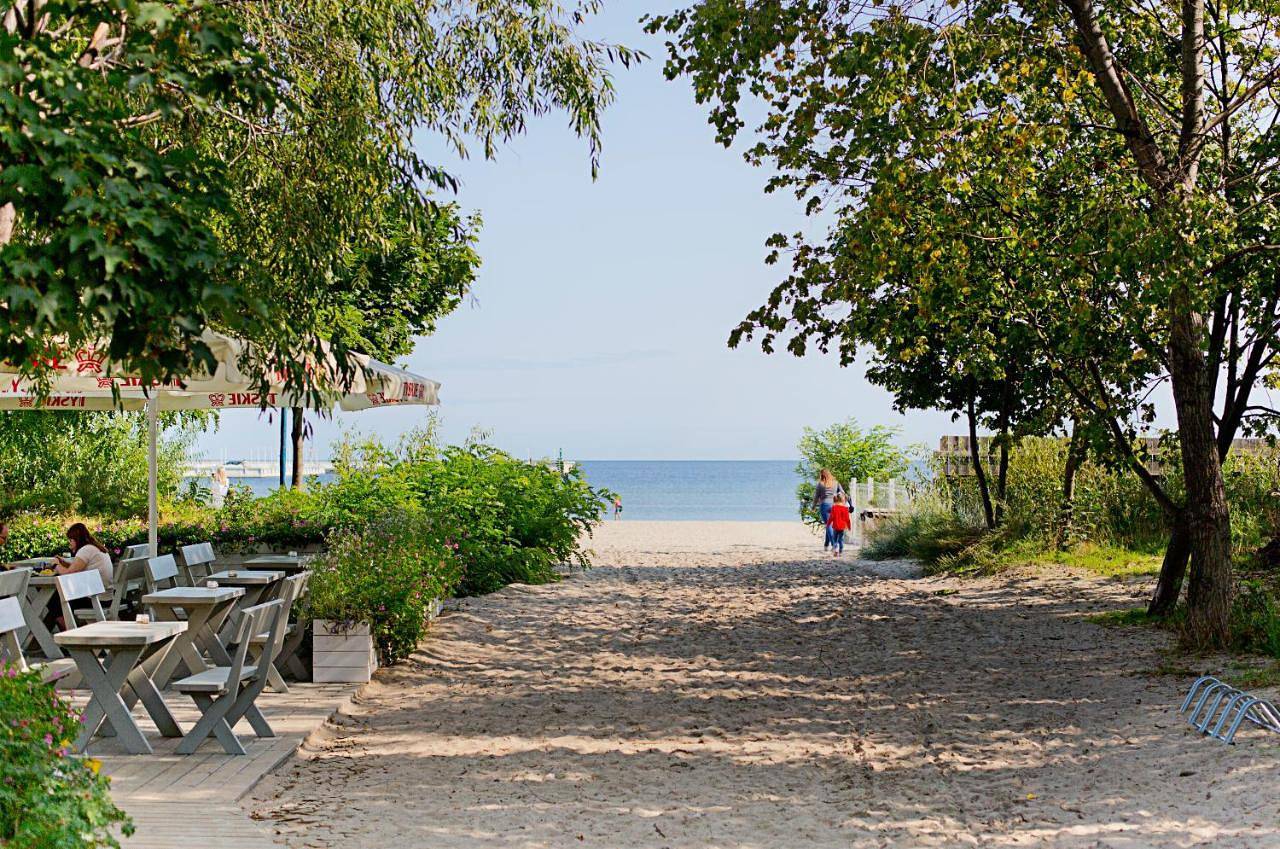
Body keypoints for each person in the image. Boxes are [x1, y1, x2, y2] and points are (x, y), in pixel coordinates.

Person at [811, 468, 846, 549]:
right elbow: (843, 493)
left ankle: (834, 545)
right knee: (830, 524)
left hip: (825, 505)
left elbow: (816, 497)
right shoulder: (836, 483)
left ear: (822, 475)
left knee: (828, 524)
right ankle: (826, 545)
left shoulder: (820, 484)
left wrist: (813, 507)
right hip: (835, 505)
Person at [827, 492, 852, 557]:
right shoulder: (846, 509)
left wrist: (828, 524)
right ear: (843, 500)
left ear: (836, 499)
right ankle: (840, 552)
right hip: (842, 527)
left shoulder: (834, 508)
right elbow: (847, 519)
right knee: (840, 539)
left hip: (835, 526)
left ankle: (835, 549)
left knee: (835, 539)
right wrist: (849, 527)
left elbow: (831, 517)